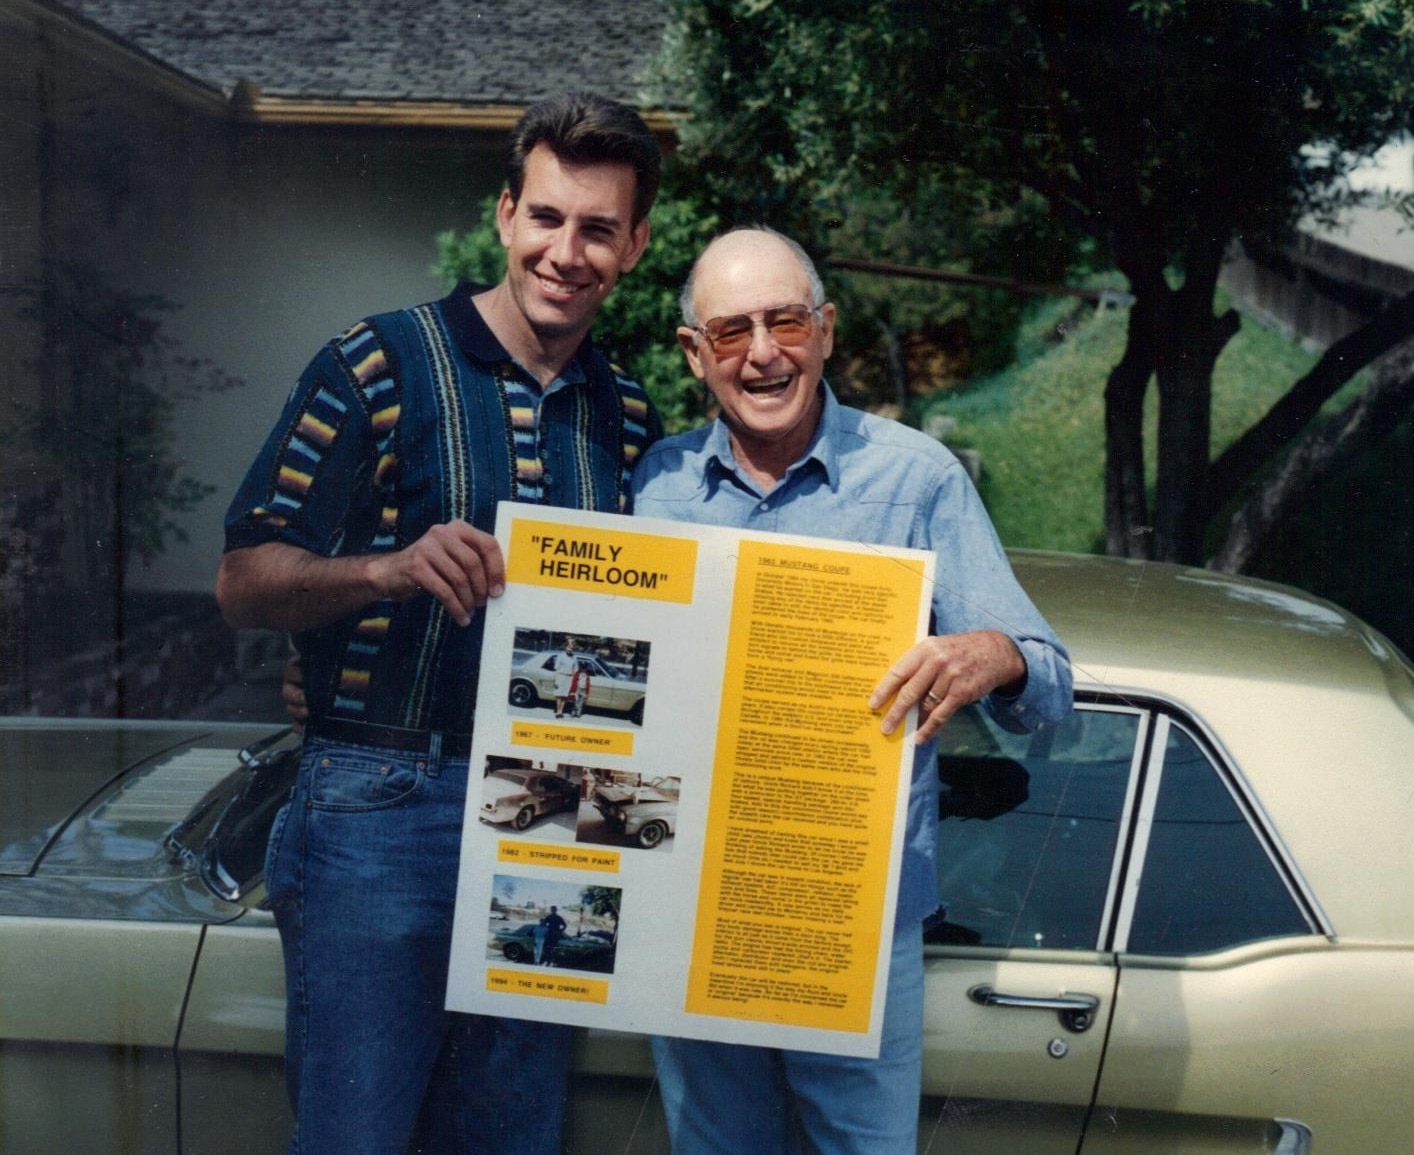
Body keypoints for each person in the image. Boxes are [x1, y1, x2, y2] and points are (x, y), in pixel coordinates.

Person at [216, 92, 662, 1155]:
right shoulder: (377, 362)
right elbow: (241, 577)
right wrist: (385, 568)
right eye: (548, 218)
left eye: (598, 228)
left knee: (511, 1132)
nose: (568, 251)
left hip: (567, 808)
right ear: (506, 214)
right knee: (357, 1134)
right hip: (384, 796)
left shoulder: (631, 416)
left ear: (635, 247)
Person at [632, 226, 1073, 1155]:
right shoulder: (655, 487)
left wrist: (996, 652)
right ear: (692, 354)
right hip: (693, 907)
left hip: (854, 922)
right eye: (730, 332)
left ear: (826, 330)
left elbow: (1050, 685)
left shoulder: (917, 478)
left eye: (785, 321)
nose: (762, 353)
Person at [552, 640, 578, 717]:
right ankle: (558, 711)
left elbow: (575, 669)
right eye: (569, 647)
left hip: (569, 678)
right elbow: (556, 668)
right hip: (560, 676)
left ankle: (561, 711)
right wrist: (556, 680)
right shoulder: (560, 656)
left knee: (565, 695)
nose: (570, 649)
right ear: (565, 647)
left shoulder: (574, 657)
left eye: (572, 648)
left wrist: (572, 678)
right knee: (559, 695)